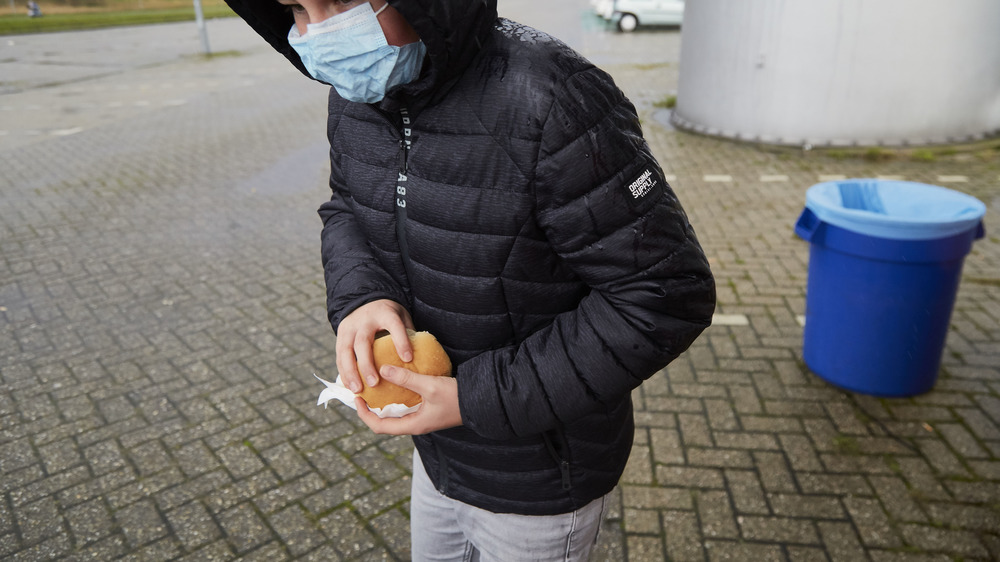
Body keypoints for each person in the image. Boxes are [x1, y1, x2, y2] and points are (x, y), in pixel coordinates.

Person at [223, 0, 715, 559]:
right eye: (298, 9)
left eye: (338, 3)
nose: (318, 33)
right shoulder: (358, 91)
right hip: (438, 454)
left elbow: (663, 295)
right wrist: (361, 295)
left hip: (541, 475)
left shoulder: (552, 99)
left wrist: (476, 398)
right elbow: (346, 208)